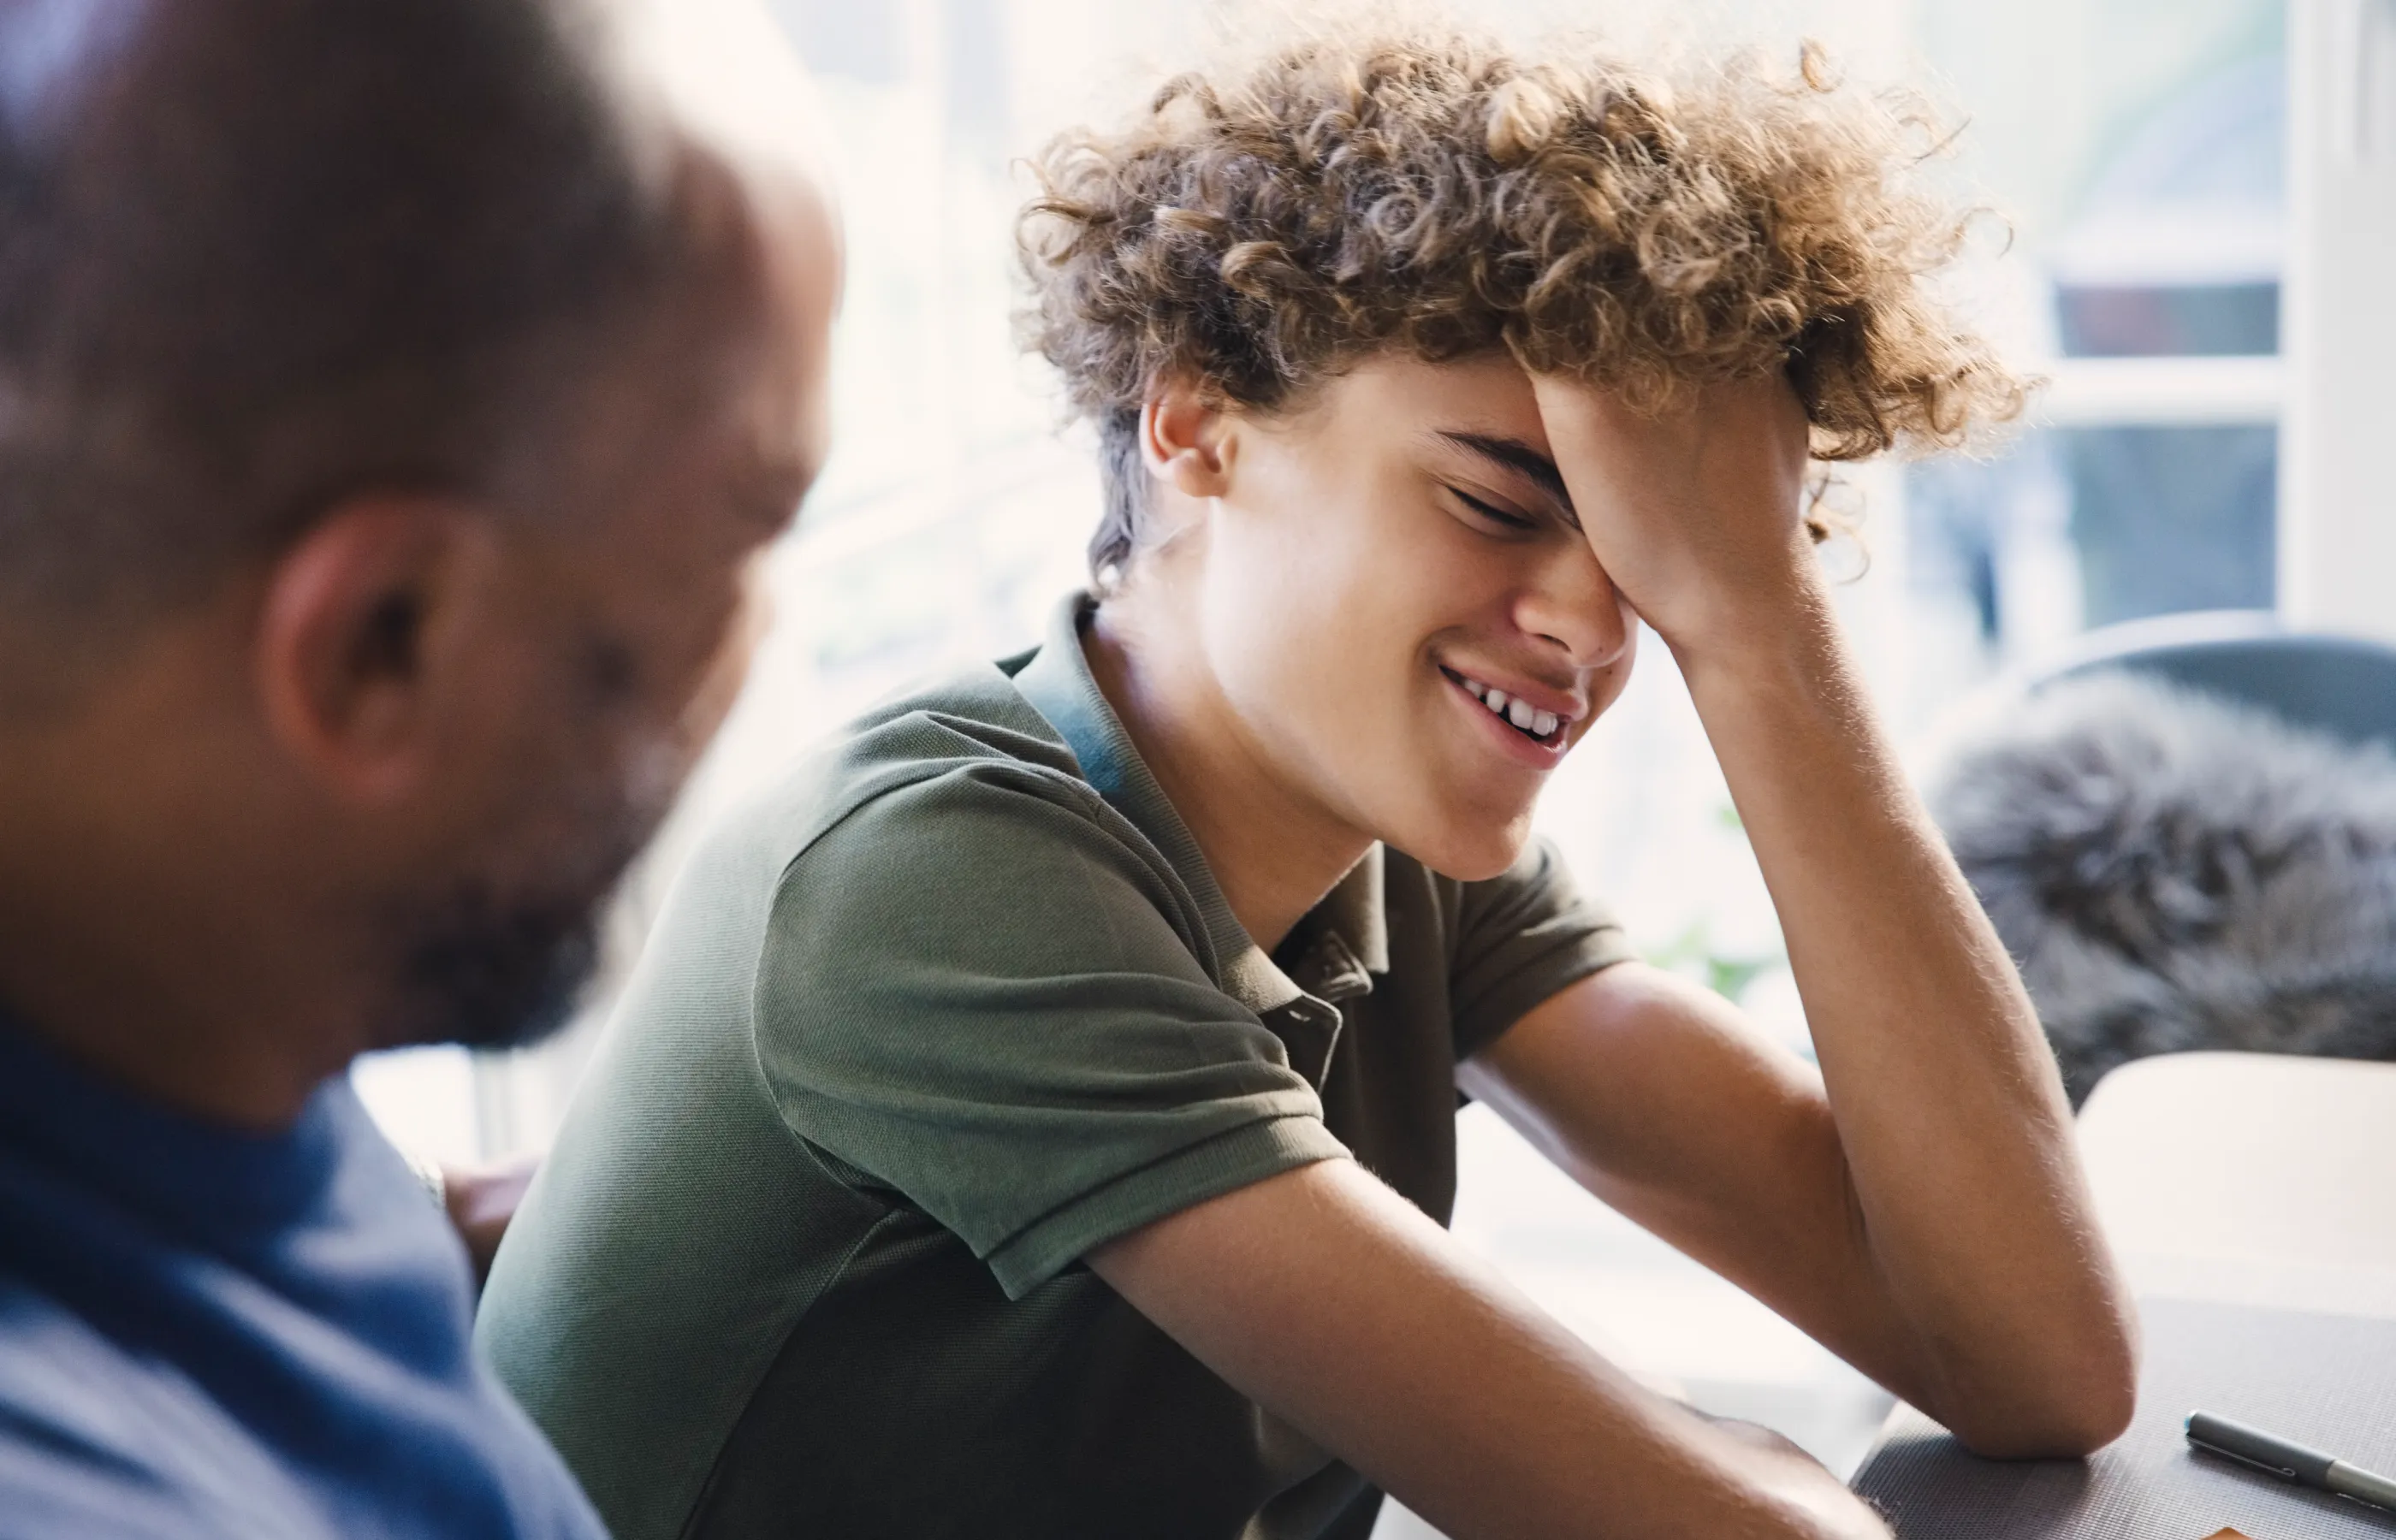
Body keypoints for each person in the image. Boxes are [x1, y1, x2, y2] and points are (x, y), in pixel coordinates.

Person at [478, 26, 2137, 1540]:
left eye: (1648, 547)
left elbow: (2036, 1364)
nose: (1593, 624)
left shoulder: (1383, 852)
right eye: (1499, 504)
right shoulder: (934, 877)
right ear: (1195, 427)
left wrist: (1756, 618)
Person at [0, 0, 838, 1534]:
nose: (751, 653)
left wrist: (498, 1223)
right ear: (381, 643)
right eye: (738, 549)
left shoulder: (187, 997)